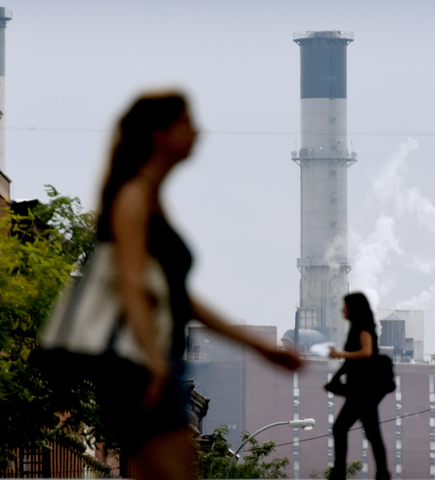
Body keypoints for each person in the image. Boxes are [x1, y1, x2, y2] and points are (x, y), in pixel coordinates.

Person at [95, 90, 302, 480]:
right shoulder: (133, 198)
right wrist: (154, 362)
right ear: (160, 134)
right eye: (187, 123)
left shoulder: (150, 198)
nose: (198, 132)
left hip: (157, 361)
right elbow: (131, 286)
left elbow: (177, 297)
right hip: (144, 365)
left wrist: (260, 348)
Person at [328, 292, 390, 480]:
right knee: (372, 433)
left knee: (340, 428)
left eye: (345, 306)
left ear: (353, 308)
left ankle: (339, 472)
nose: (342, 310)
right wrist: (335, 378)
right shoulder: (356, 327)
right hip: (363, 390)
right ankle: (382, 474)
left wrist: (340, 353)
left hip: (363, 390)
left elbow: (366, 352)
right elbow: (350, 363)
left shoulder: (362, 327)